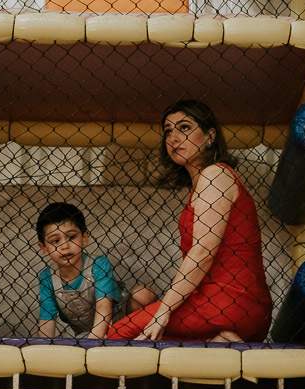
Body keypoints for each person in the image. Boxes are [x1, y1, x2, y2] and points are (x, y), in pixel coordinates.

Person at [106, 100, 273, 342]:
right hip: (226, 303)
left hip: (229, 299)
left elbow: (203, 252)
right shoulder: (203, 184)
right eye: (168, 131)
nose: (173, 138)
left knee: (118, 334)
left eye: (184, 127)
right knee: (158, 340)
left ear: (210, 136)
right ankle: (222, 340)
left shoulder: (216, 174)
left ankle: (223, 336)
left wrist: (164, 311)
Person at [35, 202, 154, 338]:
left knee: (143, 293)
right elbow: (47, 320)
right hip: (86, 333)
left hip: (120, 321)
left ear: (84, 238)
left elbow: (104, 307)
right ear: (44, 247)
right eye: (55, 241)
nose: (65, 246)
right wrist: (43, 347)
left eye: (72, 237)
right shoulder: (47, 278)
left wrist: (94, 340)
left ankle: (145, 336)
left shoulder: (98, 265)